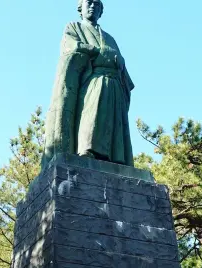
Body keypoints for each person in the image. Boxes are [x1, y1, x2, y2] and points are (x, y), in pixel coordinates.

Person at [42, 0, 135, 167]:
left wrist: (118, 60)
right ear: (80, 8)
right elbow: (71, 47)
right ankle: (87, 150)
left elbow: (121, 65)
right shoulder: (74, 27)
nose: (93, 6)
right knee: (92, 112)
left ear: (101, 11)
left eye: (97, 5)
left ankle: (115, 157)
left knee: (114, 122)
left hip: (114, 84)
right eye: (89, 3)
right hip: (93, 80)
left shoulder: (110, 38)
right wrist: (99, 52)